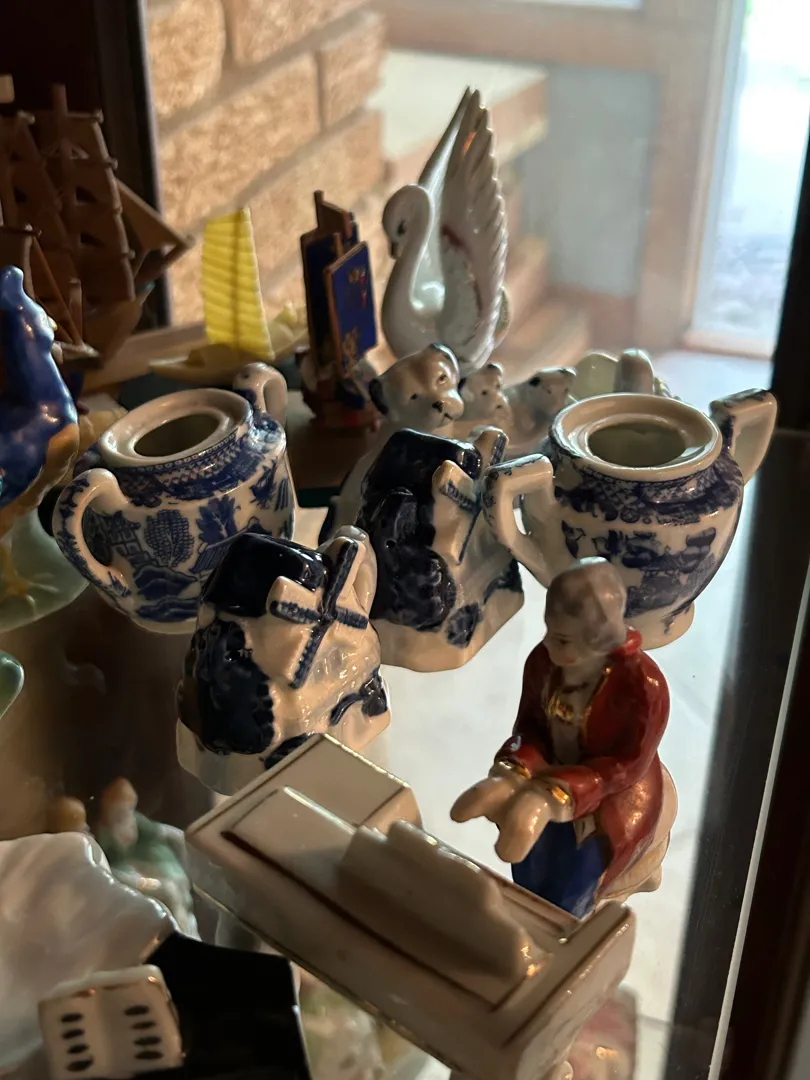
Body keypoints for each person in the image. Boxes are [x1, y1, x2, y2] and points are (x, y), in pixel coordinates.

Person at [452, 558, 669, 917]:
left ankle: (561, 925)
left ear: (598, 638)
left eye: (563, 639)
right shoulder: (544, 661)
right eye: (549, 630)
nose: (548, 643)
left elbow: (626, 766)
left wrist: (555, 793)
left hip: (613, 791)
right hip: (548, 765)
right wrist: (514, 771)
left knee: (569, 884)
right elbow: (530, 728)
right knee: (528, 869)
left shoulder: (643, 686)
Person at [96, 778, 198, 937]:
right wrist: (151, 884)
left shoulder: (136, 822)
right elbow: (113, 873)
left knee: (176, 893)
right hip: (137, 881)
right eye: (120, 816)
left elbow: (161, 832)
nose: (129, 822)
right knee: (169, 893)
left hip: (154, 873)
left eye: (129, 812)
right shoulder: (105, 840)